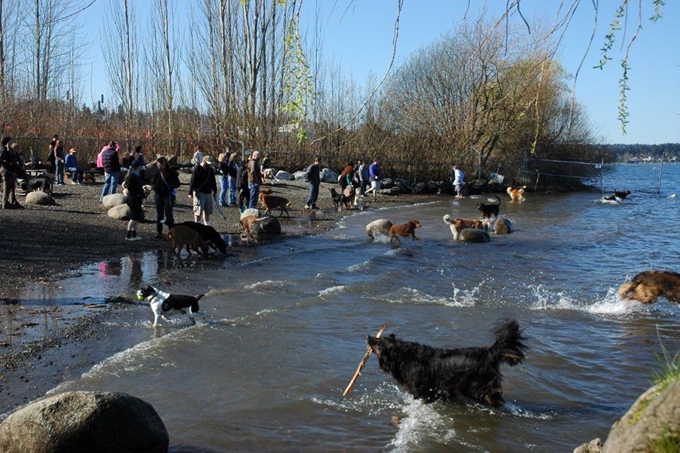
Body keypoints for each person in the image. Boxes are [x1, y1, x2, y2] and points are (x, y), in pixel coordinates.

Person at [151, 156, 180, 239]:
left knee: (169, 214)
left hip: (168, 195)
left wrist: (170, 186)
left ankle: (171, 232)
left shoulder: (171, 172)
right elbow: (153, 182)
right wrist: (154, 187)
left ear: (163, 164)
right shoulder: (157, 172)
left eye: (158, 164)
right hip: (158, 195)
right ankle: (159, 232)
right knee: (159, 214)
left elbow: (177, 184)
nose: (157, 165)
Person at [188, 155, 217, 225]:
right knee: (198, 211)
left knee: (207, 211)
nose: (208, 165)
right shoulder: (197, 169)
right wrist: (190, 192)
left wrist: (215, 190)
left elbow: (213, 181)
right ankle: (197, 226)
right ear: (204, 161)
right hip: (199, 192)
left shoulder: (210, 170)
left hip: (208, 193)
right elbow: (192, 181)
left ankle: (207, 226)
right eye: (207, 163)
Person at [124, 160, 146, 241]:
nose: (142, 167)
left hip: (137, 198)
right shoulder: (132, 175)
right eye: (141, 165)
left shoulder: (138, 174)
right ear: (137, 166)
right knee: (133, 217)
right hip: (133, 199)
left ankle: (134, 234)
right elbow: (129, 187)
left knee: (136, 217)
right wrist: (136, 194)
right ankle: (128, 235)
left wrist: (141, 195)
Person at [0, 137, 16, 209]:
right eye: (10, 141)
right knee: (6, 186)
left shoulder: (7, 149)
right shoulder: (3, 149)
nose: (11, 143)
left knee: (10, 185)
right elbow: (1, 158)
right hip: (5, 169)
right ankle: (5, 203)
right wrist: (5, 162)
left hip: (8, 169)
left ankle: (10, 201)